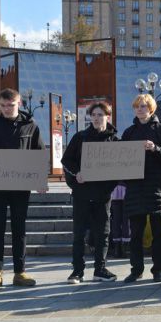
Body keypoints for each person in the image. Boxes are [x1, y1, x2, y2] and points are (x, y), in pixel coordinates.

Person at [0, 89, 45, 289]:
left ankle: (20, 272)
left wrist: (40, 180)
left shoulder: (31, 126)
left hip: (20, 186)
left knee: (19, 228)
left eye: (11, 105)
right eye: (4, 105)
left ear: (19, 104)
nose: (7, 109)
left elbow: (39, 154)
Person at [61, 101, 119, 284]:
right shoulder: (80, 137)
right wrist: (76, 175)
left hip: (103, 195)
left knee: (103, 234)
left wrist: (109, 186)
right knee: (79, 234)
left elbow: (120, 166)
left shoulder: (115, 140)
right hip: (82, 195)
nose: (96, 118)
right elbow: (67, 161)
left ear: (107, 117)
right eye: (93, 115)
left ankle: (100, 270)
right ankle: (77, 271)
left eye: (100, 115)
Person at [121, 93, 161, 283]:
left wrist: (155, 149)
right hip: (135, 190)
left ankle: (158, 270)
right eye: (137, 106)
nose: (140, 109)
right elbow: (120, 160)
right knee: (135, 235)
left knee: (158, 235)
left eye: (143, 106)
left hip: (158, 190)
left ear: (151, 109)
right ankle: (136, 270)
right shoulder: (128, 133)